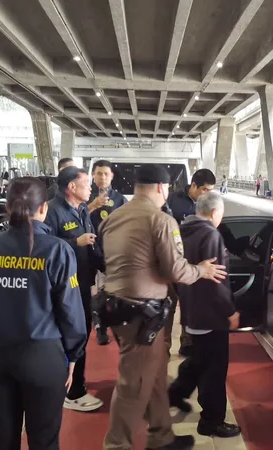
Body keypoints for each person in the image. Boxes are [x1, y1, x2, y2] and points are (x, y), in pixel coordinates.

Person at [99, 164, 227, 450]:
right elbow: (176, 270)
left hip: (116, 308)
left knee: (156, 374)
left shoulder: (115, 216)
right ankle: (116, 445)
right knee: (133, 385)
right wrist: (202, 270)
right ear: (161, 187)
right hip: (142, 314)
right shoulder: (161, 220)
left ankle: (161, 436)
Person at [0, 177, 87, 450]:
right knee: (44, 440)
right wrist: (73, 355)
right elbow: (70, 312)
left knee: (1, 438)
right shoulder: (57, 249)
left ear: (7, 207)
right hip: (42, 358)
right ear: (43, 208)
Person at [168, 191, 241, 438]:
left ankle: (176, 392)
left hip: (192, 310)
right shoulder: (211, 234)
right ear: (214, 212)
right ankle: (211, 421)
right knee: (214, 371)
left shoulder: (183, 230)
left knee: (200, 360)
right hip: (211, 315)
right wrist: (230, 311)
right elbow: (217, 280)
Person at [44, 166, 104, 412]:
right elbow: (44, 247)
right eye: (86, 183)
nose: (91, 188)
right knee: (71, 334)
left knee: (81, 332)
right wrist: (74, 242)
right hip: (65, 287)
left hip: (83, 282)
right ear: (71, 187)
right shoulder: (53, 211)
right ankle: (72, 391)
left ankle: (73, 384)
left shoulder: (81, 209)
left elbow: (92, 246)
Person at [165, 168, 216, 357]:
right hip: (171, 261)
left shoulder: (209, 204)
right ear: (194, 185)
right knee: (168, 306)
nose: (207, 194)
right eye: (204, 189)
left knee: (190, 306)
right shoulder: (172, 200)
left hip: (194, 264)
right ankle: (164, 346)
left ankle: (186, 343)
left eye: (210, 190)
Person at [87, 159, 127, 345]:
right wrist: (92, 205)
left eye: (106, 174)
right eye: (99, 173)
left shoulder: (119, 199)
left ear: (112, 176)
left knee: (107, 291)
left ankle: (107, 325)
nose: (102, 177)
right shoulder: (85, 195)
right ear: (93, 175)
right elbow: (76, 216)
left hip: (110, 253)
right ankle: (97, 325)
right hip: (87, 250)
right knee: (90, 291)